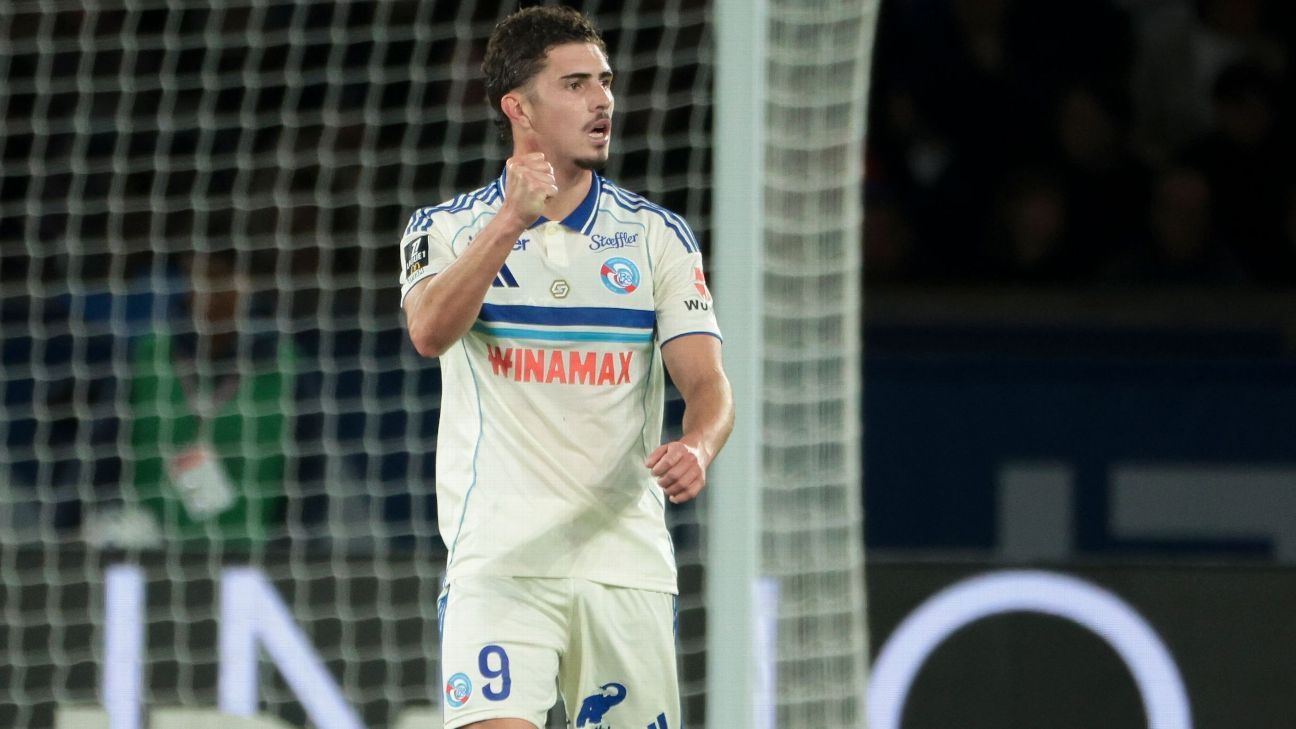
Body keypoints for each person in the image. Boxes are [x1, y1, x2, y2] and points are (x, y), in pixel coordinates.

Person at [396, 7, 734, 729]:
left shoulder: (655, 238)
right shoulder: (447, 228)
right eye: (576, 84)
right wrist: (510, 222)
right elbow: (428, 332)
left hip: (624, 563)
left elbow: (706, 383)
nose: (603, 100)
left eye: (605, 82)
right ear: (518, 106)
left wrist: (698, 446)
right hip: (500, 562)